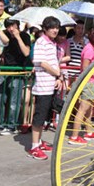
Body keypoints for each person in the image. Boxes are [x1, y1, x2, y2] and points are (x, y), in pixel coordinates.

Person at [27, 16, 63, 160]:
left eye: (56, 27)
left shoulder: (52, 43)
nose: (55, 30)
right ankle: (34, 146)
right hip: (42, 86)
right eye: (52, 27)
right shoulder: (41, 42)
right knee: (39, 117)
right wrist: (56, 73)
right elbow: (41, 62)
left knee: (45, 116)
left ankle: (39, 142)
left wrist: (58, 77)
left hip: (51, 84)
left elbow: (54, 62)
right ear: (45, 29)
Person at [68, 26, 94, 145]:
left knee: (90, 107)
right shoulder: (89, 49)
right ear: (93, 37)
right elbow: (86, 68)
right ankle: (74, 136)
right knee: (83, 108)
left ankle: (88, 132)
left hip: (92, 81)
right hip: (88, 81)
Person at [0, 18, 32, 135]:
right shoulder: (5, 34)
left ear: (18, 25)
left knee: (13, 102)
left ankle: (11, 126)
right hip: (4, 70)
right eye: (9, 26)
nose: (11, 29)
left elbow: (26, 52)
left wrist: (18, 37)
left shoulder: (25, 36)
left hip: (18, 72)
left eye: (13, 25)